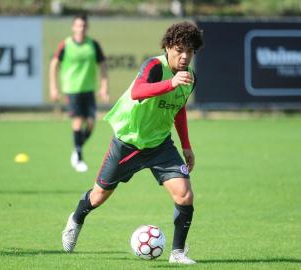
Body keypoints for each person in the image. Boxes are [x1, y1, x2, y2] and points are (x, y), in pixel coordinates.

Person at [61, 21, 203, 264]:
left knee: (185, 195)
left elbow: (178, 110)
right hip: (128, 142)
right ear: (168, 47)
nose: (184, 56)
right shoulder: (154, 66)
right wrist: (171, 83)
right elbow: (138, 91)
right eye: (180, 49)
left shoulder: (189, 77)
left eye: (189, 51)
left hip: (160, 145)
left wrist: (186, 145)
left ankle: (177, 253)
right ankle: (76, 219)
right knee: (98, 196)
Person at [49, 14, 109, 172]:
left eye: (83, 25)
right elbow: (54, 64)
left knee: (90, 123)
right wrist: (53, 87)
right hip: (72, 89)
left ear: (86, 27)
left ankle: (77, 148)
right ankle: (80, 158)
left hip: (89, 89)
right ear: (73, 27)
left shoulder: (93, 45)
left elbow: (103, 66)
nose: (81, 28)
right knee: (78, 121)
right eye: (78, 25)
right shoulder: (66, 45)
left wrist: (104, 87)